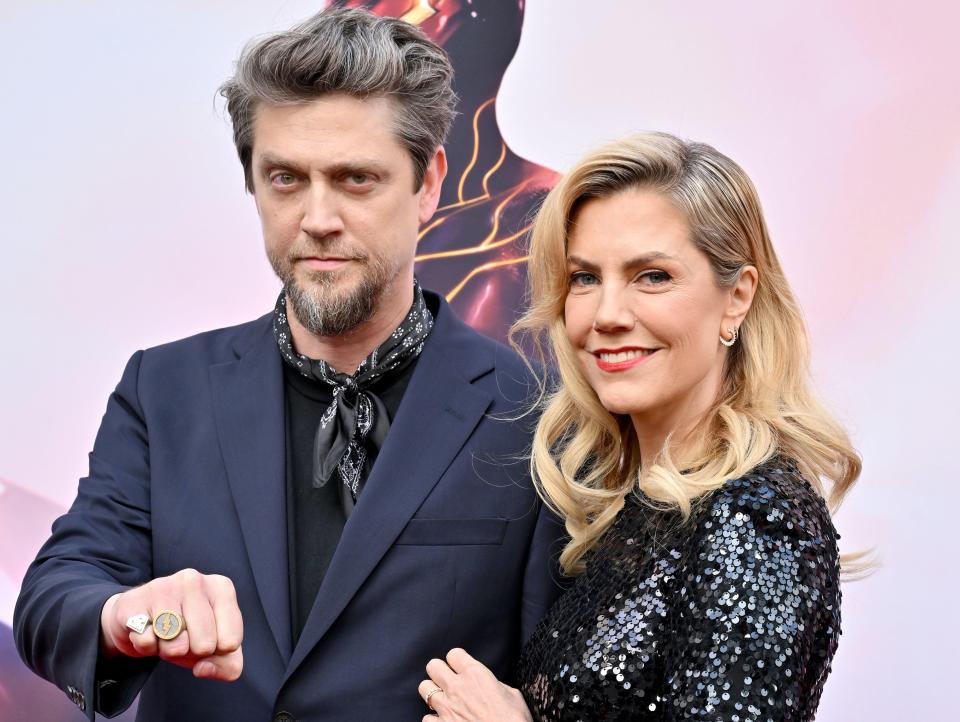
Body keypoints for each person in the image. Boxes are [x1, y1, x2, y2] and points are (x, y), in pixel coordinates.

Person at [13, 8, 564, 722]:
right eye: (285, 179)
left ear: (428, 183)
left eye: (356, 179)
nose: (317, 217)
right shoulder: (165, 389)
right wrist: (126, 615)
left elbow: (575, 673)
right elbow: (57, 592)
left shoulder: (534, 414)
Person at [418, 132, 860, 721]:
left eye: (652, 276)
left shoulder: (754, 517)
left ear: (737, 297)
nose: (607, 315)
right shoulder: (640, 499)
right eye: (584, 278)